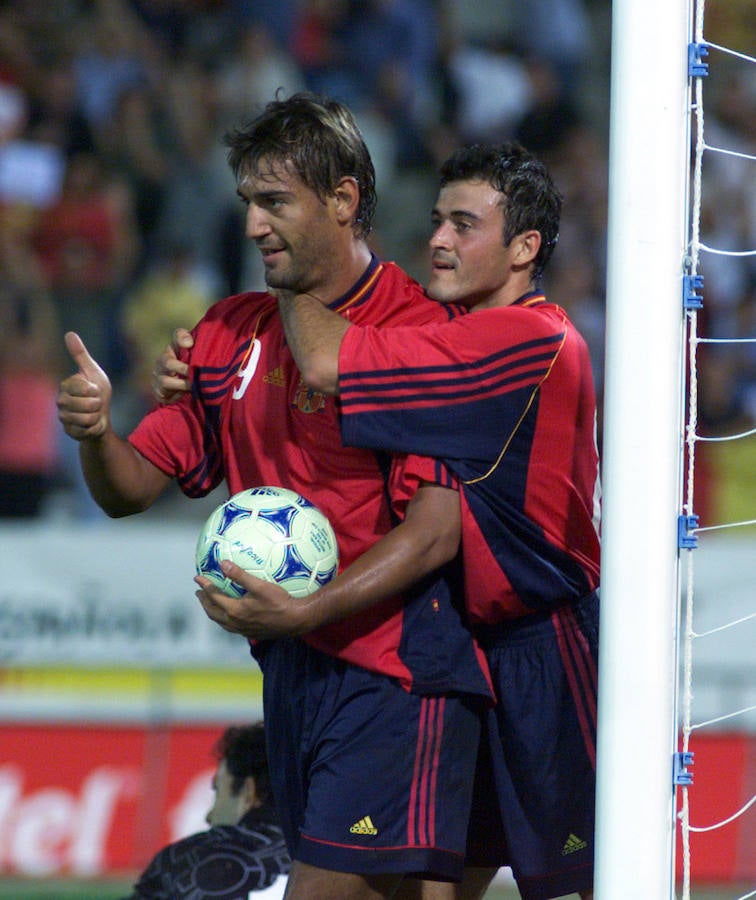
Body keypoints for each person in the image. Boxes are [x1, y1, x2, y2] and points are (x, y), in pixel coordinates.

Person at [57, 92, 493, 900]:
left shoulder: (421, 333)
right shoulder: (227, 333)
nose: (254, 224)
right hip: (294, 677)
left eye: (274, 201)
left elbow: (436, 532)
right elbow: (132, 488)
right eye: (247, 202)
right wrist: (94, 433)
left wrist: (306, 611)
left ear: (343, 200)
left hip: (398, 677)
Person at [160, 142, 601, 900]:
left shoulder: (529, 338)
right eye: (436, 221)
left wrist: (294, 262)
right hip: (467, 650)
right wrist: (210, 358)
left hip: (544, 651)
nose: (437, 240)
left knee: (578, 883)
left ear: (525, 247)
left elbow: (330, 362)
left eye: (465, 225)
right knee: (434, 885)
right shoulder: (445, 336)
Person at [123, 722, 290, 899]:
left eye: (218, 791)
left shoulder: (183, 862)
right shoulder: (317, 863)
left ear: (248, 791)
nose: (209, 816)